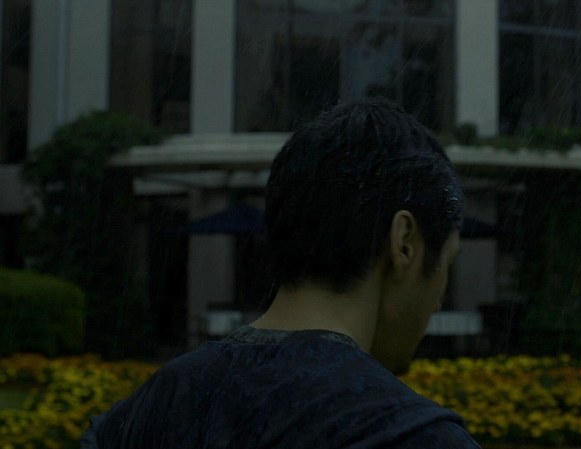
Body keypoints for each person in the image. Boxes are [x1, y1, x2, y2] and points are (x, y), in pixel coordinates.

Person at [81, 98, 481, 448]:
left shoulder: (138, 418)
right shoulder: (415, 435)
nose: (438, 298)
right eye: (447, 262)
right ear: (404, 244)